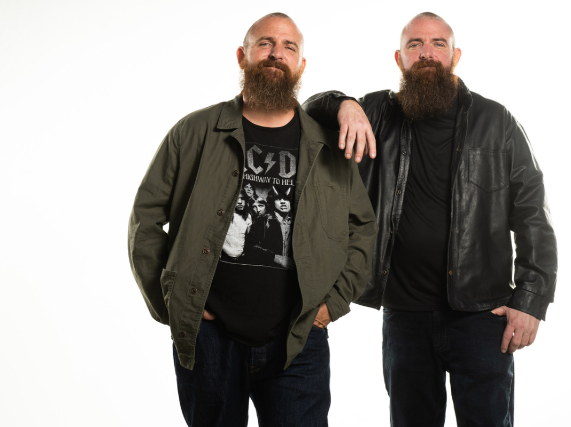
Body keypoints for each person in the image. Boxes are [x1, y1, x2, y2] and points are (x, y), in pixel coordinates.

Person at [303, 12, 557, 427]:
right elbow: (308, 113)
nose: (426, 53)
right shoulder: (375, 113)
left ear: (455, 55)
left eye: (438, 44)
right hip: (404, 317)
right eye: (415, 44)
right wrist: (343, 103)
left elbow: (533, 215)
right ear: (399, 58)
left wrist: (530, 301)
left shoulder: (497, 121)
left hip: (483, 314)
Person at [128, 12, 377, 427]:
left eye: (289, 47)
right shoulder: (195, 132)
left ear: (301, 65)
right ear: (242, 56)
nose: (276, 53)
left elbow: (363, 228)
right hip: (209, 339)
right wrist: (172, 302)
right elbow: (146, 218)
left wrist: (333, 304)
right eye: (265, 43)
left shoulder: (326, 146)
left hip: (299, 339)